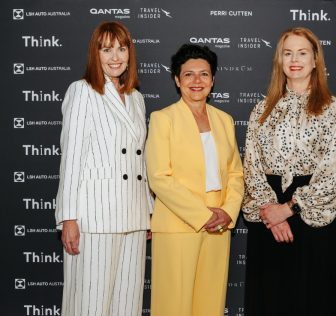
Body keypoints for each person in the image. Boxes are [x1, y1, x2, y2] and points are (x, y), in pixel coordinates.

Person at [242, 27, 336, 316]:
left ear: (316, 60)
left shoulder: (335, 110)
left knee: (313, 301)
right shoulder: (261, 110)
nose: (295, 59)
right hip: (267, 224)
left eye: (302, 52)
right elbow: (252, 166)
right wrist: (271, 210)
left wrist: (290, 208)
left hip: (314, 224)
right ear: (279, 60)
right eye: (287, 53)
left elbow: (335, 173)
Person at [55, 21, 153, 316]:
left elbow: (140, 159)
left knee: (127, 305)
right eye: (107, 49)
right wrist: (68, 217)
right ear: (95, 54)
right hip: (95, 218)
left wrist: (147, 210)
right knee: (90, 305)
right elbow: (71, 157)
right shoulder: (82, 91)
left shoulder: (136, 98)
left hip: (133, 217)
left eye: (122, 49)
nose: (115, 57)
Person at [145, 44, 244, 316]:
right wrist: (202, 214)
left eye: (203, 74)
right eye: (188, 75)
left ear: (213, 80)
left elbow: (235, 173)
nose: (196, 81)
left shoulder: (224, 120)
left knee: (210, 305)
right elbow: (159, 178)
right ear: (177, 80)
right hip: (179, 226)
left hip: (219, 228)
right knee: (173, 306)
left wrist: (227, 212)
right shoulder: (163, 119)